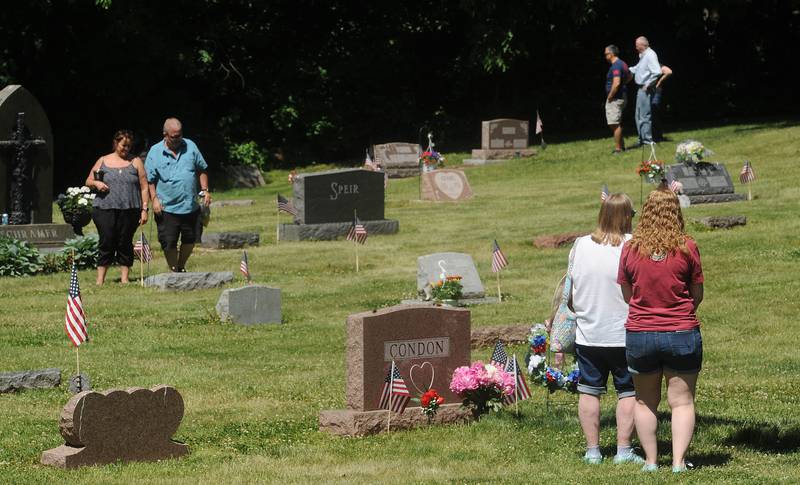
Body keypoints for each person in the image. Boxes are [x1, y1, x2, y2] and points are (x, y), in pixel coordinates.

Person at [617, 188, 704, 473]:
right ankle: (678, 462)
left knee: (644, 401)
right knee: (682, 402)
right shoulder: (687, 246)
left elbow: (627, 295)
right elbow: (697, 294)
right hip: (682, 331)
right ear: (675, 212)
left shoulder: (630, 249)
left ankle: (652, 462)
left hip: (641, 333)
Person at [570, 193, 642, 465]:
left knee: (589, 391)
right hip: (625, 332)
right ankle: (623, 451)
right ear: (625, 217)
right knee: (629, 392)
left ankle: (592, 451)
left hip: (589, 331)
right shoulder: (633, 245)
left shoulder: (580, 244)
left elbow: (571, 285)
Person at [145, 118, 212, 272]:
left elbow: (202, 168)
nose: (177, 139)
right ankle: (174, 270)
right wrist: (154, 199)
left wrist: (205, 189)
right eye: (173, 136)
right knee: (168, 242)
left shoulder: (190, 146)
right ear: (165, 135)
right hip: (166, 206)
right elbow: (150, 180)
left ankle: (181, 266)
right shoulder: (155, 152)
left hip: (190, 204)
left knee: (191, 239)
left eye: (179, 135)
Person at [85, 130, 149, 285]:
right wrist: (97, 183)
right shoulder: (103, 160)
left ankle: (124, 278)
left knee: (125, 241)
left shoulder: (136, 162)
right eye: (123, 145)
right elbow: (88, 180)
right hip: (104, 208)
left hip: (130, 208)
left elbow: (144, 186)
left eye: (128, 146)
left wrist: (144, 209)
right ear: (115, 143)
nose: (126, 149)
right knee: (107, 240)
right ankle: (100, 279)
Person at [629, 36, 662, 147]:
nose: (636, 47)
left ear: (643, 45)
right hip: (641, 88)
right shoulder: (644, 56)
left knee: (644, 115)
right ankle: (642, 139)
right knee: (638, 115)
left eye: (637, 45)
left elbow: (657, 72)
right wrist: (625, 69)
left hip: (645, 89)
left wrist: (647, 85)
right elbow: (637, 68)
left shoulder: (650, 55)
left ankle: (647, 141)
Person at [603, 45, 631, 154]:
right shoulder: (623, 64)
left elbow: (616, 82)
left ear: (611, 54)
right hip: (621, 96)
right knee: (615, 122)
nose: (605, 56)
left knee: (614, 124)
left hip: (615, 98)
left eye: (606, 54)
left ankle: (618, 149)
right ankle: (621, 146)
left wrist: (610, 96)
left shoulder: (616, 66)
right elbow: (629, 76)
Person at [651, 65, 673, 142]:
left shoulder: (656, 64)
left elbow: (669, 71)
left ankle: (657, 136)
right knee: (651, 114)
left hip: (655, 91)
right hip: (648, 92)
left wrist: (659, 82)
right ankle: (653, 136)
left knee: (654, 113)